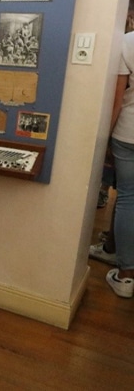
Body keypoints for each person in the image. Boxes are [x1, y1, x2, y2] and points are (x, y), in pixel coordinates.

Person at [104, 30, 134, 299]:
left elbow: (116, 98)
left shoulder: (128, 41)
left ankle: (125, 278)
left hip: (128, 133)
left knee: (127, 198)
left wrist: (105, 137)